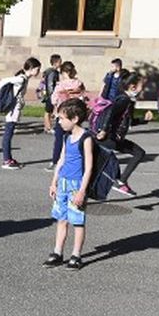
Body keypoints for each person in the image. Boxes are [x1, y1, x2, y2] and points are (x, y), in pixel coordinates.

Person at [44, 98, 95, 270]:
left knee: (77, 222)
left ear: (74, 119)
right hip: (63, 183)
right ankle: (57, 252)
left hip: (76, 185)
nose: (58, 121)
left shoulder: (86, 138)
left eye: (61, 118)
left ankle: (76, 255)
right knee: (61, 219)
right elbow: (61, 160)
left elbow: (88, 167)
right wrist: (54, 182)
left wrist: (82, 191)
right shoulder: (67, 137)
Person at [95, 72, 146, 196]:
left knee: (138, 153)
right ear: (133, 87)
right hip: (109, 137)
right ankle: (120, 181)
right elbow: (110, 113)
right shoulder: (124, 100)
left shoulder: (128, 100)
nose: (142, 88)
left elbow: (128, 121)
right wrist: (104, 130)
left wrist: (144, 119)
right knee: (138, 153)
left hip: (112, 137)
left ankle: (120, 181)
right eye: (141, 86)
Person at [0, 56, 40, 169]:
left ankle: (8, 157)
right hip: (13, 109)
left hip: (15, 108)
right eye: (37, 69)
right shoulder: (21, 78)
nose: (38, 72)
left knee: (9, 133)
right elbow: (4, 80)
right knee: (8, 134)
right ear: (32, 68)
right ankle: (6, 160)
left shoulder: (24, 78)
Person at [48, 62, 87, 170]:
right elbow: (84, 96)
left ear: (64, 72)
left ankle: (56, 161)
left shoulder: (60, 85)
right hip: (75, 114)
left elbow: (53, 100)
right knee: (75, 138)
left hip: (63, 113)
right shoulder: (78, 83)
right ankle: (76, 159)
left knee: (59, 139)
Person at [39, 54, 63, 134]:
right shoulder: (52, 72)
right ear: (55, 63)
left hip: (49, 94)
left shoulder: (51, 71)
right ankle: (48, 127)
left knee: (48, 111)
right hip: (50, 94)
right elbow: (50, 84)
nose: (61, 63)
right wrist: (52, 94)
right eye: (60, 61)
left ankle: (47, 126)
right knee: (48, 111)